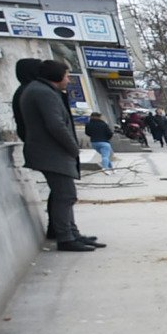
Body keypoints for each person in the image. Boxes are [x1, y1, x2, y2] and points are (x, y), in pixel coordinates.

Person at [17, 61, 100, 252]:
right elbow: (55, 125)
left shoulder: (40, 90)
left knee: (64, 195)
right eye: (66, 76)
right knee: (65, 195)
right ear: (56, 76)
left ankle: (72, 233)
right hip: (51, 153)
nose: (68, 80)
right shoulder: (42, 92)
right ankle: (66, 237)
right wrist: (73, 148)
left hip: (50, 152)